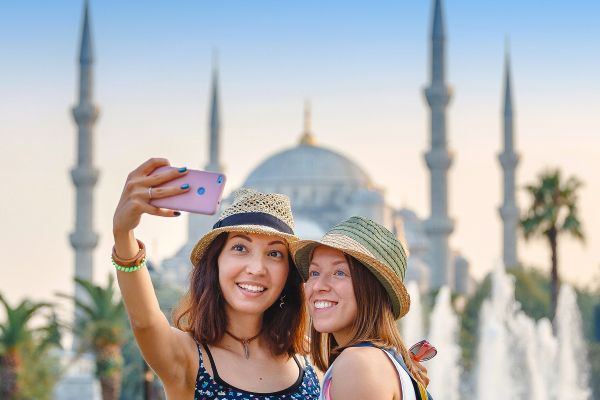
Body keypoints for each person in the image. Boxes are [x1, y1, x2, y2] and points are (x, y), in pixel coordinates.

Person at [112, 158, 320, 399]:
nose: (256, 268)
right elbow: (144, 322)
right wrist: (122, 234)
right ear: (216, 262)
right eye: (240, 248)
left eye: (274, 254)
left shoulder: (309, 358)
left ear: (288, 274)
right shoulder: (187, 356)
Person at [290, 216, 432, 400]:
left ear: (372, 289)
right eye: (314, 273)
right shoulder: (381, 361)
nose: (317, 286)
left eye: (339, 273)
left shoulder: (357, 364)